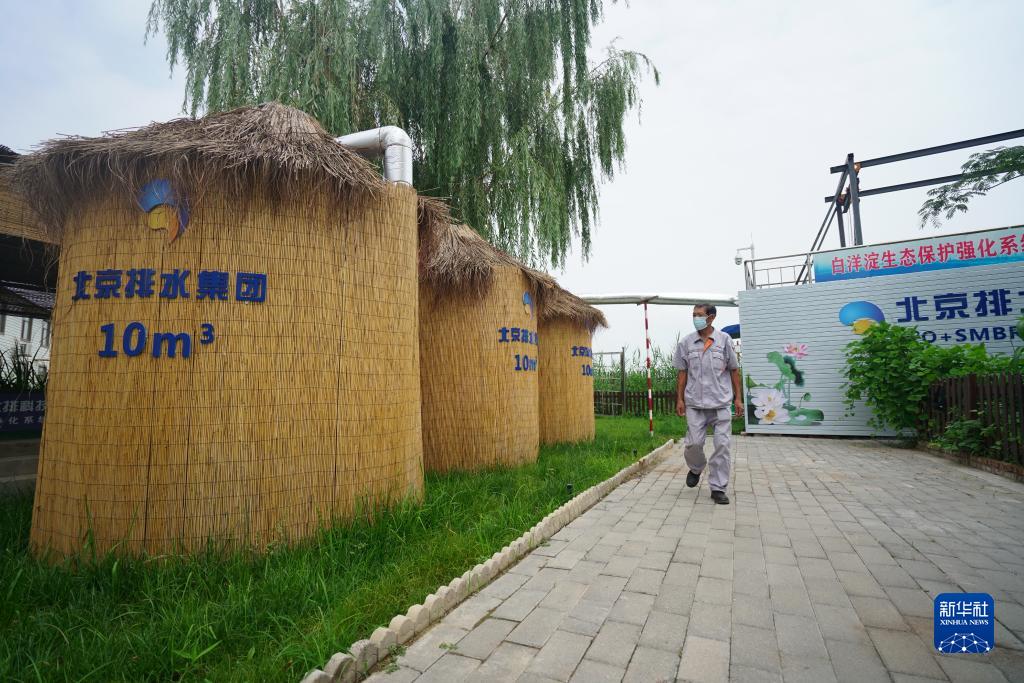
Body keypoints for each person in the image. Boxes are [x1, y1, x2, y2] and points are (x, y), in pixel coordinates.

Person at [673, 303, 742, 504]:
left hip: (721, 403)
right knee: (693, 444)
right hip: (695, 404)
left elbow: (733, 370)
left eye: (699, 315)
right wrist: (679, 399)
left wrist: (738, 398)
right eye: (693, 315)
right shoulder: (686, 343)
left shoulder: (724, 340)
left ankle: (718, 488)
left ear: (711, 318)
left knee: (722, 446)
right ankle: (696, 468)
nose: (695, 318)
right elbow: (682, 373)